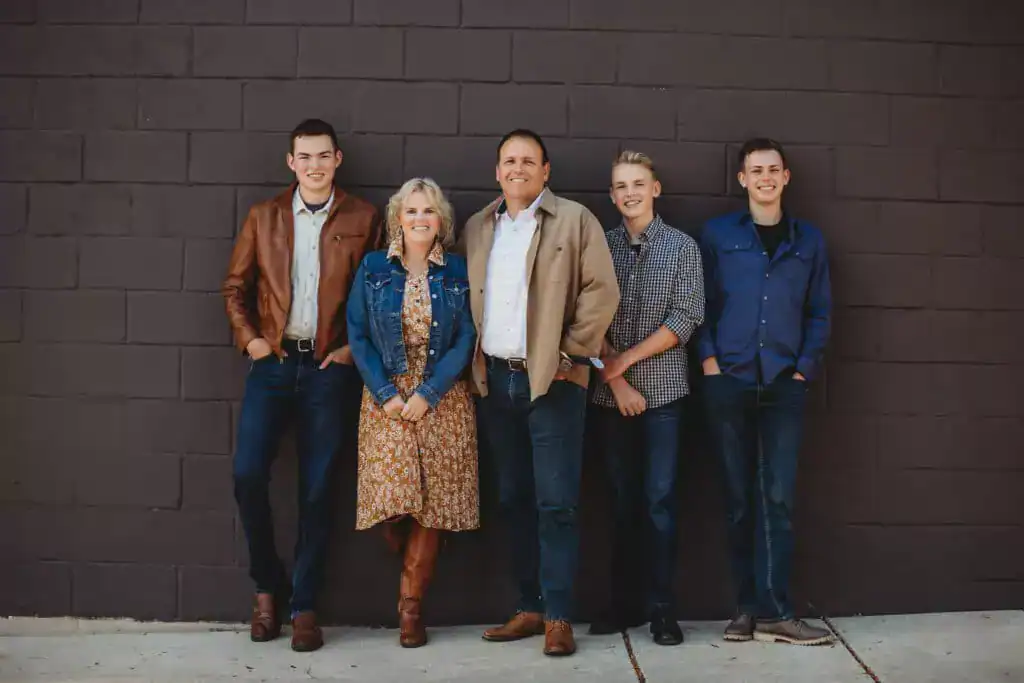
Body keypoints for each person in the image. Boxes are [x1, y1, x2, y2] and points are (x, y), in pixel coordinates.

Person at [222, 118, 379, 652]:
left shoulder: (363, 216)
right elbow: (234, 287)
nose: (314, 165)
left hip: (329, 370)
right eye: (304, 157)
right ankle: (268, 587)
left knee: (317, 490)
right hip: (273, 365)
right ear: (291, 162)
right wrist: (253, 342)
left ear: (338, 159)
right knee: (247, 475)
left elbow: (375, 292)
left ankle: (304, 603)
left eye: (323, 156)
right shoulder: (264, 217)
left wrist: (352, 352)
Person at [461, 129, 620, 657]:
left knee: (557, 503)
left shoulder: (575, 221)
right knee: (513, 498)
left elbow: (602, 292)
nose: (518, 168)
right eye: (510, 161)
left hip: (553, 381)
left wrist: (568, 356)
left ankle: (557, 615)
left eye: (529, 161)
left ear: (546, 171)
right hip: (497, 381)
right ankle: (527, 607)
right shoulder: (479, 227)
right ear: (497, 171)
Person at [698, 138, 833, 646]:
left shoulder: (809, 240)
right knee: (737, 500)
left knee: (776, 498)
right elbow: (702, 301)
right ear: (742, 179)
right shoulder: (718, 235)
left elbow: (819, 311)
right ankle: (744, 609)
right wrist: (709, 361)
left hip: (783, 384)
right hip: (728, 380)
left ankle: (777, 610)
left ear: (786, 176)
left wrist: (803, 370)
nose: (765, 178)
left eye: (773, 170)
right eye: (756, 171)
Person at [347, 177, 479, 649]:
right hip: (387, 400)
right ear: (397, 219)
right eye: (411, 211)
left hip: (441, 400)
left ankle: (410, 606)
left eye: (429, 211)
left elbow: (467, 336)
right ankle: (410, 561)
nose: (420, 219)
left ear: (440, 220)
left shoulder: (458, 271)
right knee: (394, 504)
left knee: (431, 506)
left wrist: (430, 391)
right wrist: (387, 394)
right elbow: (357, 334)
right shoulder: (373, 268)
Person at [589, 151, 705, 646]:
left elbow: (686, 317)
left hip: (664, 399)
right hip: (609, 399)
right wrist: (615, 379)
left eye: (638, 183)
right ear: (612, 195)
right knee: (617, 503)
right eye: (621, 185)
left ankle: (662, 609)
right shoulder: (600, 245)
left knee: (659, 502)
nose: (630, 192)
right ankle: (621, 604)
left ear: (655, 189)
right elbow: (586, 316)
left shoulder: (682, 248)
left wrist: (626, 362)